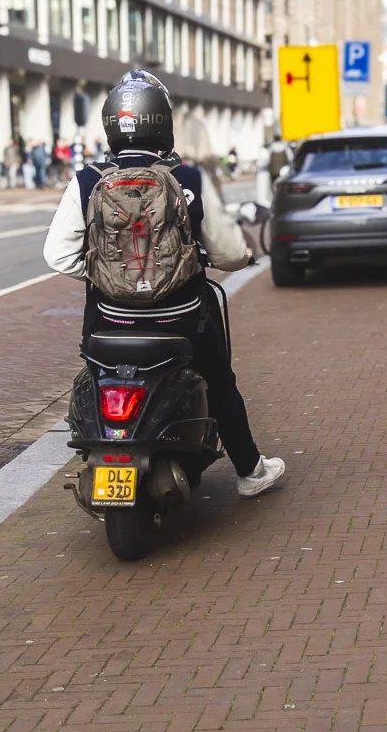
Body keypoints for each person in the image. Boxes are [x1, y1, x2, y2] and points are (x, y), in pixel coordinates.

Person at [43, 69, 286, 498]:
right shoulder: (189, 180)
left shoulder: (86, 181)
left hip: (109, 323)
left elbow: (57, 255)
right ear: (164, 122)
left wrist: (104, 273)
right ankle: (250, 472)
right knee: (220, 383)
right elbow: (229, 253)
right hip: (181, 321)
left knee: (95, 376)